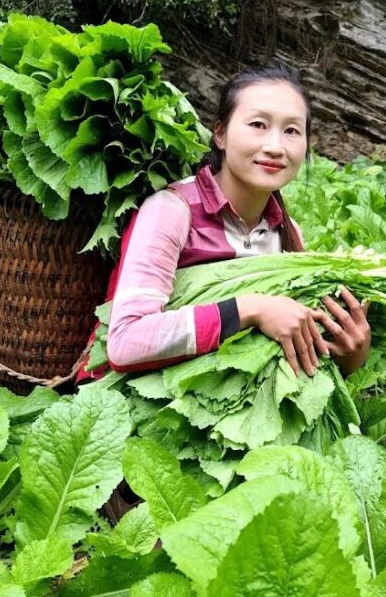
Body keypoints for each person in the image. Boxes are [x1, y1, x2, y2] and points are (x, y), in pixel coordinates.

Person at [79, 64, 371, 383]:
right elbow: (126, 343)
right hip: (123, 404)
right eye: (258, 124)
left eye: (291, 131)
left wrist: (348, 356)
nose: (276, 146)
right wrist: (250, 309)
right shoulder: (172, 211)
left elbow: (290, 348)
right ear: (220, 133)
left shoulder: (287, 233)